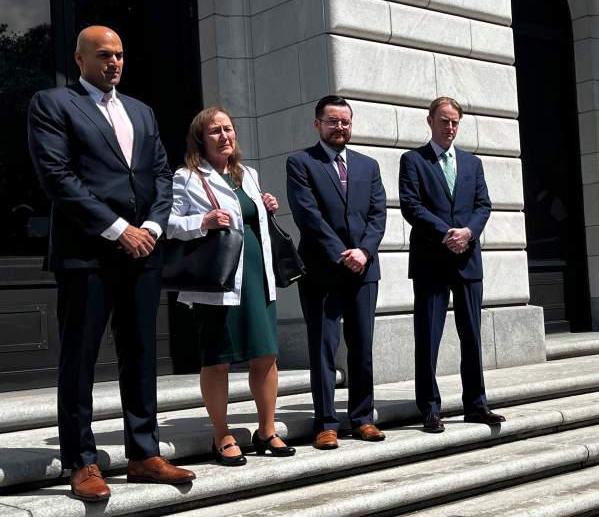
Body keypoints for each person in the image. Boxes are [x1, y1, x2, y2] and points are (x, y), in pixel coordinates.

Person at [27, 26, 194, 502]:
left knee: (141, 354)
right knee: (79, 359)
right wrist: (122, 230)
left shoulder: (141, 110)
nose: (114, 63)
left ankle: (143, 454)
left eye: (119, 55)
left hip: (144, 252)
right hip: (87, 254)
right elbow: (57, 176)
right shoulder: (53, 104)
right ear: (79, 60)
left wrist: (155, 229)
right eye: (103, 55)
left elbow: (161, 174)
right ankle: (81, 461)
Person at [167, 106, 295, 465]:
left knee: (266, 354)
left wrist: (266, 205)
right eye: (215, 131)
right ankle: (221, 434)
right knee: (217, 358)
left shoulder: (247, 174)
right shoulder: (187, 177)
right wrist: (202, 220)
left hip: (258, 275)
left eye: (228, 129)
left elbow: (250, 218)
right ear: (200, 140)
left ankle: (267, 430)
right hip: (220, 280)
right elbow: (169, 223)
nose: (225, 136)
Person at [286, 95, 387, 449]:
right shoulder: (300, 163)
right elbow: (307, 215)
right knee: (323, 348)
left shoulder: (368, 165)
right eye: (332, 121)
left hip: (363, 271)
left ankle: (362, 418)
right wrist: (341, 254)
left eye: (345, 121)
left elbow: (378, 215)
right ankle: (326, 423)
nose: (339, 127)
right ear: (318, 124)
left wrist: (364, 251)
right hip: (321, 272)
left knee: (362, 347)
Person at [399, 96, 503, 433]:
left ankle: (476, 404)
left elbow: (483, 205)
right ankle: (429, 409)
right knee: (428, 336)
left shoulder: (472, 163)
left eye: (455, 121)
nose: (450, 127)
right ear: (429, 121)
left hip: (467, 260)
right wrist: (447, 233)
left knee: (471, 335)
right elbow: (411, 206)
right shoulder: (413, 160)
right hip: (432, 260)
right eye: (444, 120)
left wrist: (469, 232)